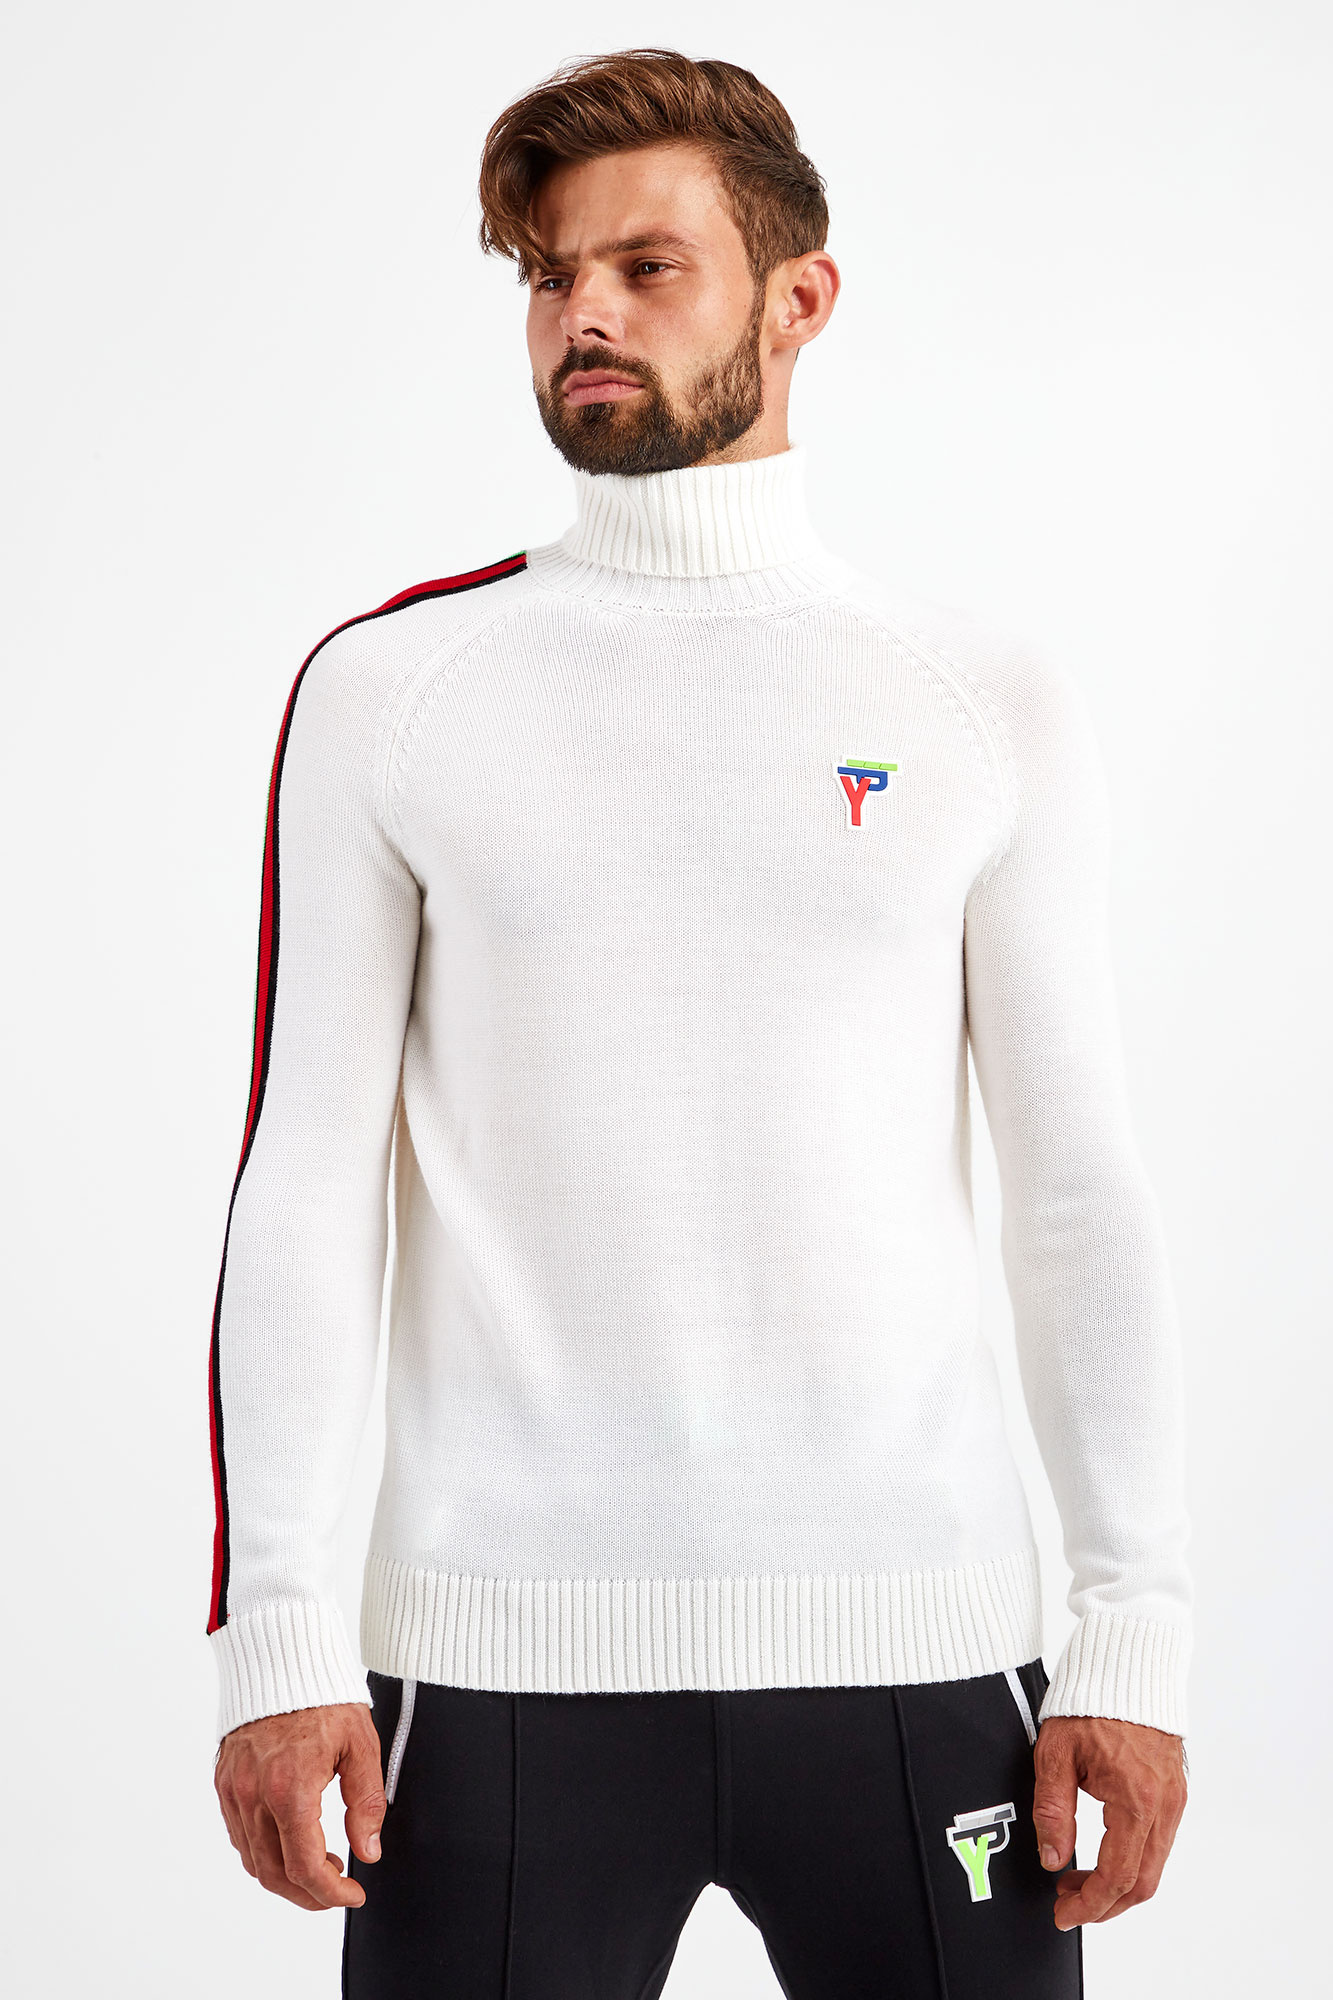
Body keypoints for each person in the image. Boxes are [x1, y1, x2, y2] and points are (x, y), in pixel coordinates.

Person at [207, 47, 1191, 1998]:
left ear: (798, 297)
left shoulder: (977, 699)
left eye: (645, 266)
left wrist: (1133, 1633)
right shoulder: (395, 691)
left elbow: (1076, 1189)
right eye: (548, 274)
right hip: (488, 1673)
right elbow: (302, 1180)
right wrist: (279, 1637)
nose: (581, 310)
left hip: (924, 1648)